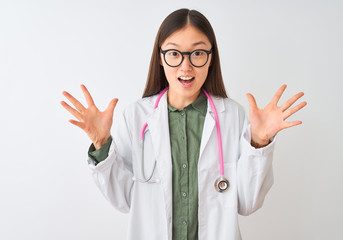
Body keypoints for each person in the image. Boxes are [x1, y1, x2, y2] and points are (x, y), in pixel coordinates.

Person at [61, 8, 306, 240]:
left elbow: (247, 202)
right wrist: (102, 143)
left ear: (211, 58)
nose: (186, 66)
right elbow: (123, 200)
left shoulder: (232, 115)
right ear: (160, 57)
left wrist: (259, 142)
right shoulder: (136, 116)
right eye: (174, 53)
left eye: (198, 53)